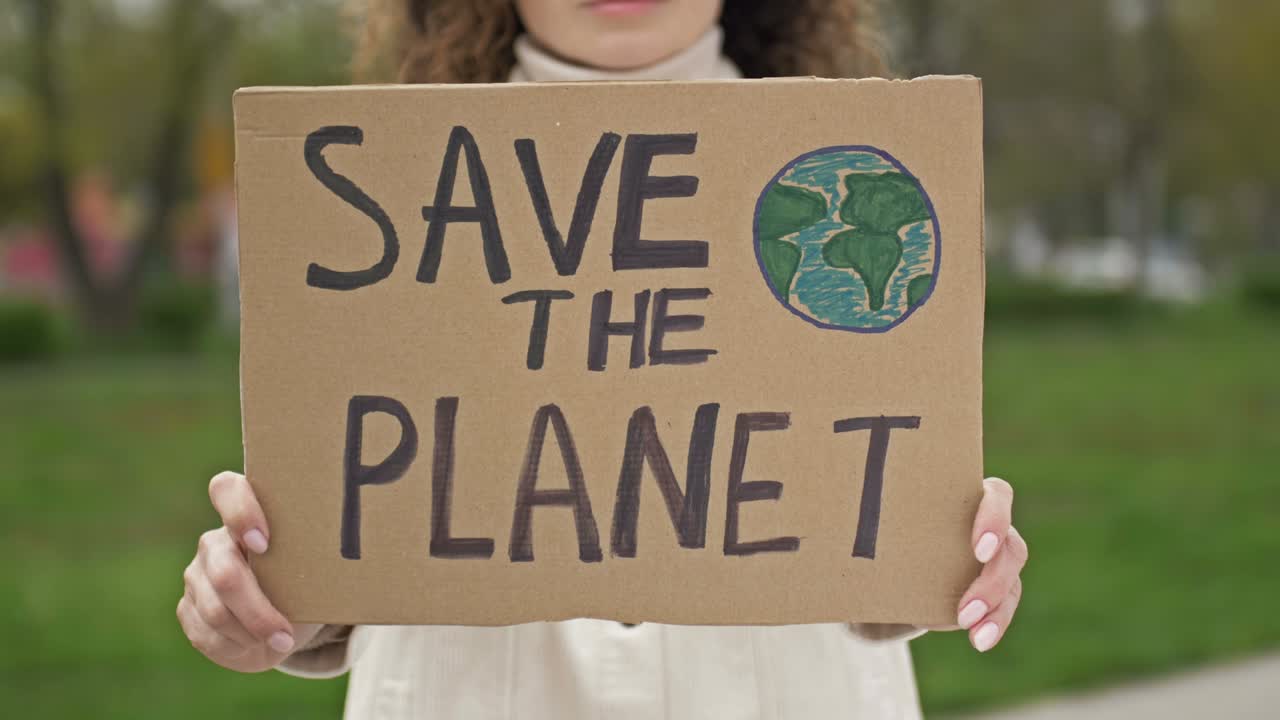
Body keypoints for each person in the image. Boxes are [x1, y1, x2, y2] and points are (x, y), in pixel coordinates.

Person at [177, 1, 1028, 717]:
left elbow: (860, 506)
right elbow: (366, 513)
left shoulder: (863, 194)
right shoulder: (377, 197)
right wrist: (269, 597)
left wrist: (942, 552)